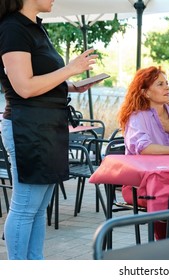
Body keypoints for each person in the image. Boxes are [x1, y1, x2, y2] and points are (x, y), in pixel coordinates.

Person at [0, 0, 98, 259]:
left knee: (40, 206)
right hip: (27, 127)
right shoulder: (12, 28)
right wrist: (70, 68)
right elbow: (24, 87)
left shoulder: (34, 27)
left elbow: (42, 79)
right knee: (25, 205)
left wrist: (72, 85)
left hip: (47, 125)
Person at [117, 66, 169, 208]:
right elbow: (145, 148)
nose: (167, 88)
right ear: (145, 93)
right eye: (160, 84)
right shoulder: (137, 117)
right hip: (142, 184)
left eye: (167, 83)